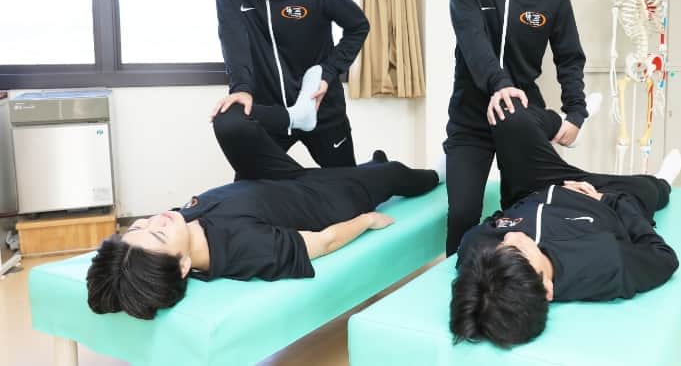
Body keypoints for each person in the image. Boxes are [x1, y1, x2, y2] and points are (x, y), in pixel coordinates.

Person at [86, 105, 440, 320]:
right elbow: (324, 242)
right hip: (324, 198)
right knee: (392, 173)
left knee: (229, 121)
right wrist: (367, 220)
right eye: (158, 233)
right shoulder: (245, 248)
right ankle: (436, 175)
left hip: (274, 181)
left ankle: (311, 125)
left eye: (141, 225)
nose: (156, 219)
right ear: (182, 266)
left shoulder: (180, 226)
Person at [449, 99, 681, 348]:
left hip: (533, 187)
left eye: (500, 248)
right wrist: (606, 200)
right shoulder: (605, 263)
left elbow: (494, 224)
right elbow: (664, 257)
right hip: (597, 194)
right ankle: (662, 181)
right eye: (519, 250)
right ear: (547, 289)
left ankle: (563, 125)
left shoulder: (476, 253)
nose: (510, 237)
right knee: (649, 190)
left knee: (507, 112)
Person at [444, 0, 592, 255]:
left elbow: (569, 58)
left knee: (523, 210)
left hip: (521, 118)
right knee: (462, 213)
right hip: (471, 118)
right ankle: (458, 279)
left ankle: (513, 280)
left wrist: (576, 112)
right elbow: (473, 41)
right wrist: (499, 84)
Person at [211, 0, 369, 169]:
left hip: (320, 108)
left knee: (347, 184)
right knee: (253, 186)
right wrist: (241, 89)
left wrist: (328, 73)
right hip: (273, 114)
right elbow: (233, 39)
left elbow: (358, 25)